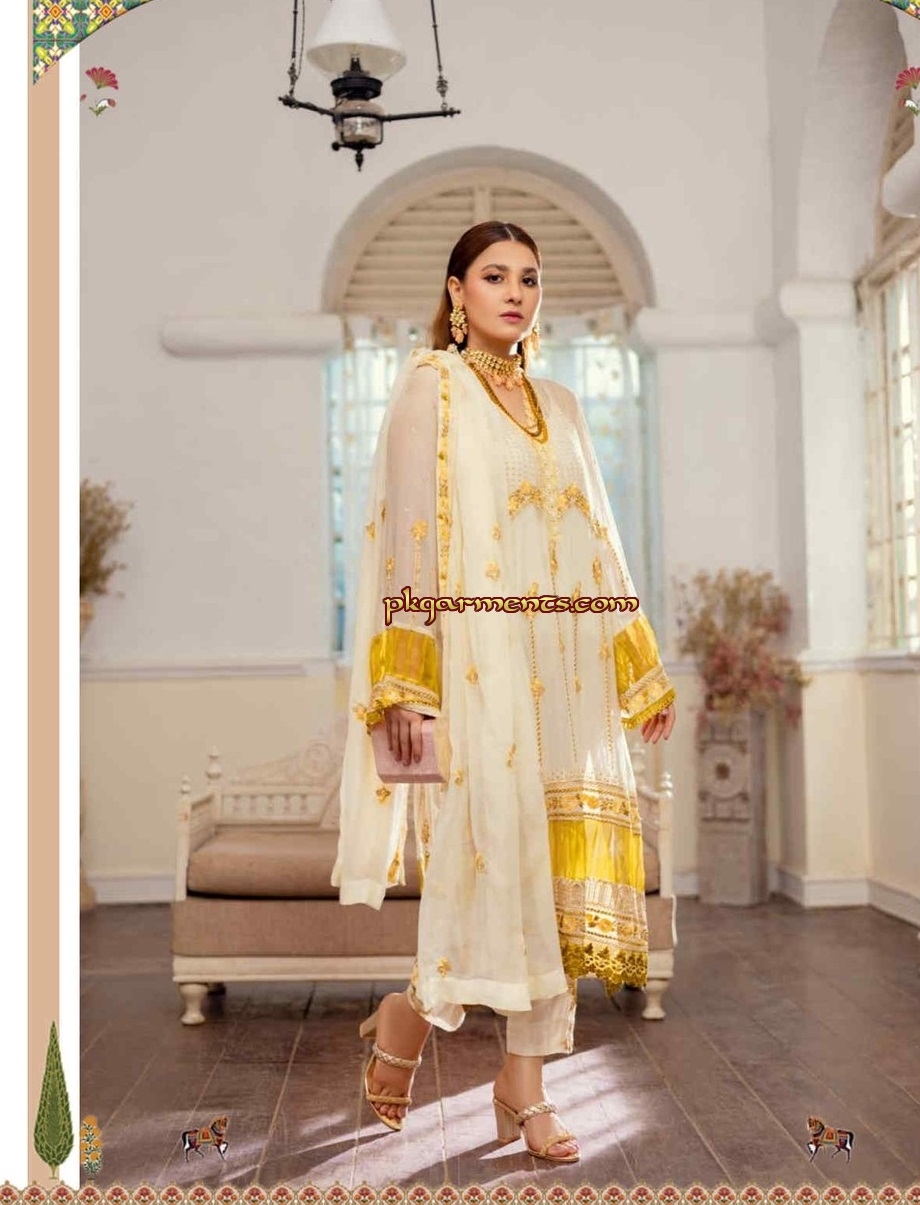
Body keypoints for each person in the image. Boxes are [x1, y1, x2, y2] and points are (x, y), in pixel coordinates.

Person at [331, 220, 675, 1164]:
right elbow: (409, 534)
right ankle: (406, 1015)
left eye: (528, 277)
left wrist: (636, 664)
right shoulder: (430, 388)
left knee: (554, 886)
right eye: (494, 276)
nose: (515, 292)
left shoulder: (559, 403)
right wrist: (406, 680)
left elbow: (598, 535)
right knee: (485, 866)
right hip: (477, 666)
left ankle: (524, 1087)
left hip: (567, 672)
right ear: (457, 291)